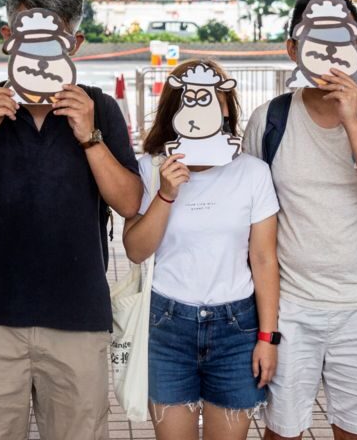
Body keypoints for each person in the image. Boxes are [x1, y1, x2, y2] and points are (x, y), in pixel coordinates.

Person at [0, 0, 142, 440]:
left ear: (76, 43)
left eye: (55, 38)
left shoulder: (100, 108)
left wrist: (89, 135)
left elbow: (129, 201)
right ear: (8, 37)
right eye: (28, 36)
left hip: (79, 315)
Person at [244, 0, 357, 440]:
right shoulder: (269, 120)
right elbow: (248, 217)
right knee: (281, 431)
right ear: (292, 49)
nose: (330, 53)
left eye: (342, 41)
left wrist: (352, 122)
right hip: (288, 306)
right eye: (315, 41)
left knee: (356, 432)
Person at [122, 60, 281, 440]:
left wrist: (267, 337)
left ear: (226, 107)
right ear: (173, 110)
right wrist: (166, 194)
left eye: (210, 99)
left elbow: (263, 260)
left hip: (236, 327)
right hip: (167, 324)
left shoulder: (253, 172)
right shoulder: (150, 168)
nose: (199, 109)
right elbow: (135, 250)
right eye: (188, 100)